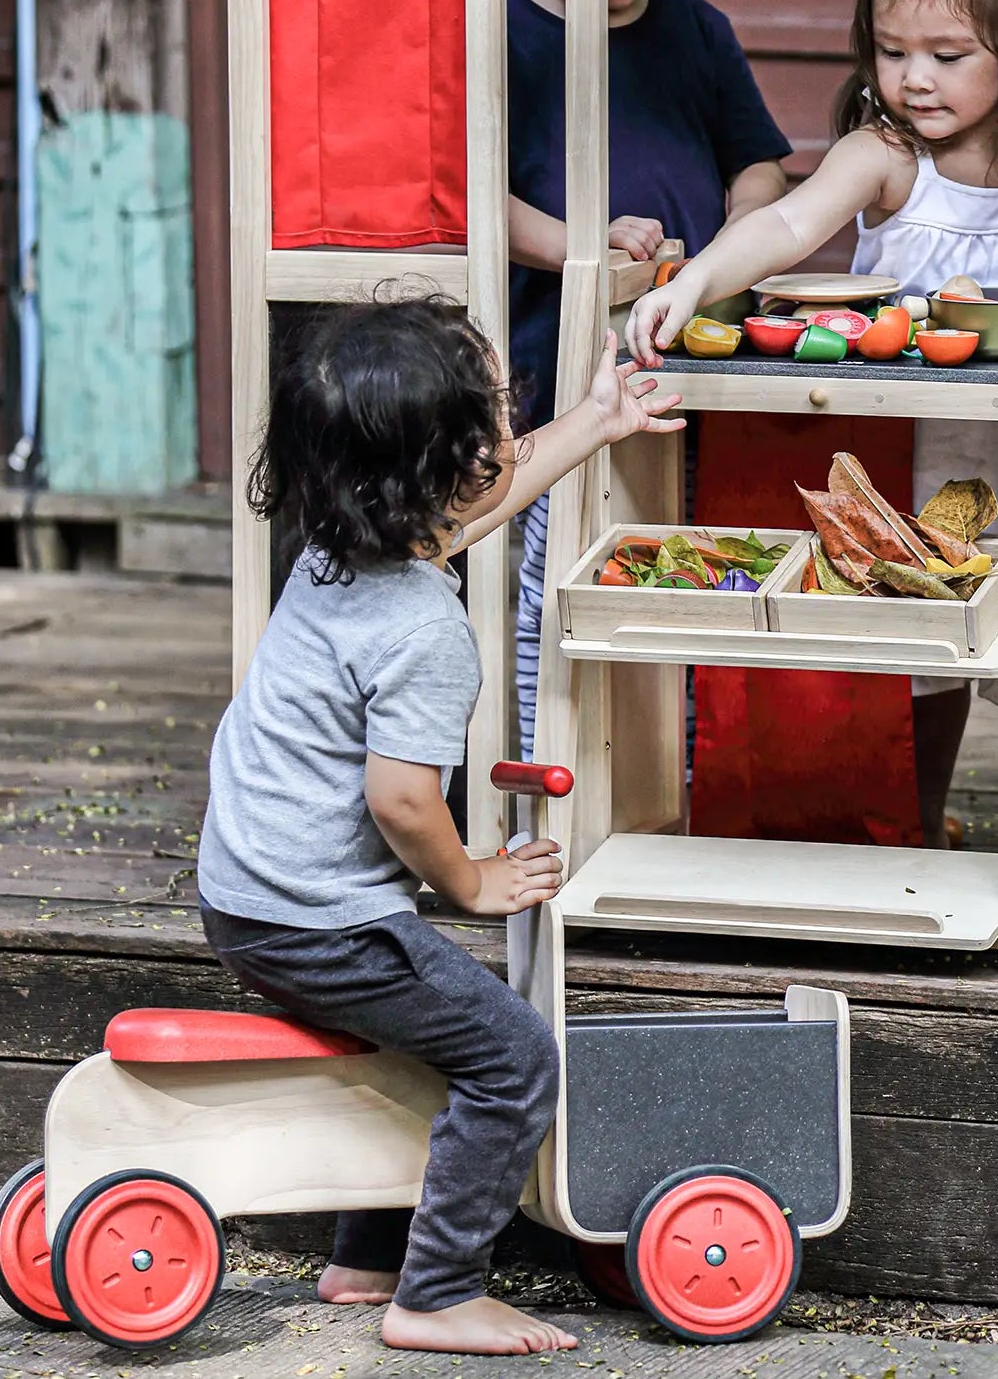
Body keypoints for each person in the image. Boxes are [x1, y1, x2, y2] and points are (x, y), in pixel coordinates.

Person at [196, 296, 682, 1355]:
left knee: (429, 1038)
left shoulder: (336, 546)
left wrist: (593, 420)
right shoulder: (426, 628)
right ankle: (440, 1290)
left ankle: (365, 1259)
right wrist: (470, 880)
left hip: (249, 892)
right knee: (510, 1053)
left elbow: (471, 511)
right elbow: (402, 799)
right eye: (502, 423)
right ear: (448, 471)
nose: (514, 436)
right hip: (317, 919)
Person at [626, 0, 998, 849]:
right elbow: (786, 224)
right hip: (907, 457)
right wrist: (696, 281)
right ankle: (912, 821)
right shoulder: (887, 156)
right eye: (890, 50)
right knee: (921, 649)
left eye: (948, 57)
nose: (914, 79)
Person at [504, 0, 791, 759]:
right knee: (547, 592)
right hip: (544, 381)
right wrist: (584, 239)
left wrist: (731, 239)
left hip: (682, 369)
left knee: (676, 563)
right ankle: (551, 771)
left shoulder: (695, 31)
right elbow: (471, 204)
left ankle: (676, 765)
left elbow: (756, 160)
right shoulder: (503, 39)